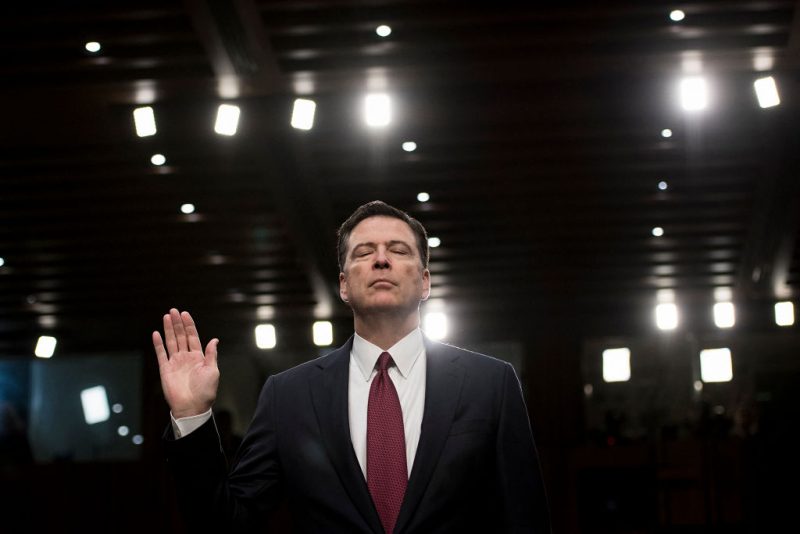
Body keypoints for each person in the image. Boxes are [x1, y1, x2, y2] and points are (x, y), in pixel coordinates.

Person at [153, 200, 551, 533]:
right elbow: (225, 523)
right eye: (364, 252)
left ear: (426, 281)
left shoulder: (491, 384)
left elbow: (526, 520)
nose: (381, 260)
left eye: (398, 250)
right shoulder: (288, 396)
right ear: (344, 286)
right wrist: (191, 417)